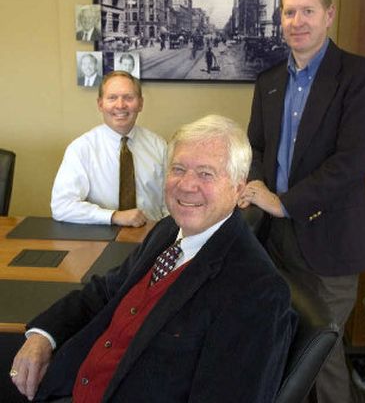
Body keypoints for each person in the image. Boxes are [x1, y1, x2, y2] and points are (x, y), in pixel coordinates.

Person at [10, 114, 297, 402]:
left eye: (205, 174)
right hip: (63, 382)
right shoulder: (168, 230)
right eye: (178, 168)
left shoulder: (257, 290)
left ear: (237, 189)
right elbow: (105, 291)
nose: (186, 185)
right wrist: (42, 335)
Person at [239, 0, 365, 403]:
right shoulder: (267, 80)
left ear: (328, 15)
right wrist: (256, 186)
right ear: (280, 18)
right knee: (283, 342)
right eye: (289, 12)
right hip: (274, 239)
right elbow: (258, 147)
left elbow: (350, 163)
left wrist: (283, 203)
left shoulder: (360, 76)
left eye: (307, 11)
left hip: (330, 240)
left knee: (321, 349)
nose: (297, 21)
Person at [52, 71, 168, 226]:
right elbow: (62, 206)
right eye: (112, 98)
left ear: (140, 103)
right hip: (100, 238)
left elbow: (171, 202)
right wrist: (113, 216)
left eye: (128, 97)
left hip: (152, 236)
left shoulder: (159, 146)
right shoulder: (82, 148)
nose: (120, 105)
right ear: (100, 104)